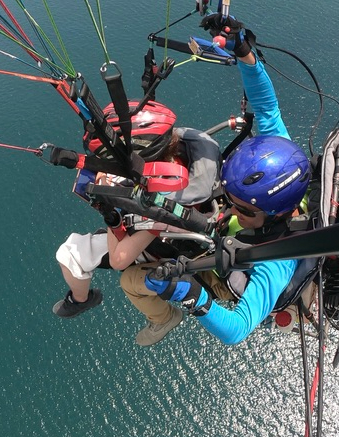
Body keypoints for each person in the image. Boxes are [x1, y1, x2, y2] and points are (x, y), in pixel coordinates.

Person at [120, 16, 312, 346]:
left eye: (242, 209)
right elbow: (266, 105)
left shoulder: (277, 261)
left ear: (276, 214)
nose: (232, 211)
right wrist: (243, 50)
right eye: (231, 199)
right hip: (230, 240)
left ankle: (164, 319)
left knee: (131, 279)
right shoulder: (280, 155)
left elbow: (236, 329)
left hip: (227, 269)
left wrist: (194, 296)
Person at [53, 99, 223, 346]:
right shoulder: (186, 158)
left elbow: (119, 259)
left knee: (69, 254)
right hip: (173, 226)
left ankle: (156, 316)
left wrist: (109, 208)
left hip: (162, 242)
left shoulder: (164, 205)